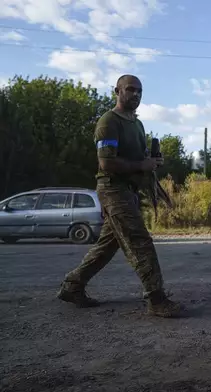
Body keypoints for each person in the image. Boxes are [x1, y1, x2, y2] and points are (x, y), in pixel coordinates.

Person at [56, 74, 182, 318]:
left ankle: (73, 286)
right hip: (114, 188)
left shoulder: (136, 123)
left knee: (107, 245)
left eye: (139, 91)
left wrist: (152, 162)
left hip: (128, 190)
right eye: (130, 89)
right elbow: (106, 163)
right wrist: (141, 165)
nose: (135, 94)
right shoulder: (108, 122)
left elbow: (139, 159)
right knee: (139, 241)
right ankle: (156, 299)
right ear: (117, 91)